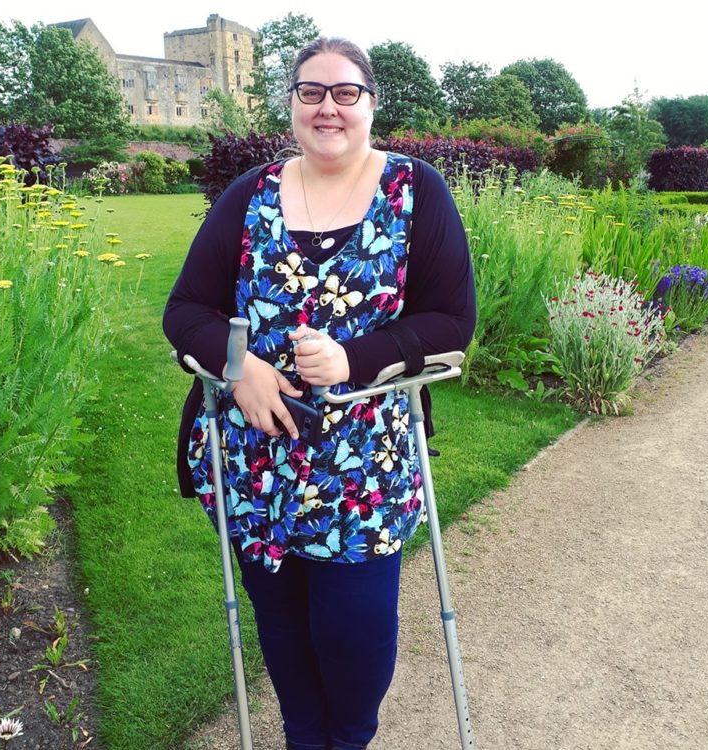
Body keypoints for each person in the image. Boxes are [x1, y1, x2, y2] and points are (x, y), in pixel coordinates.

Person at [164, 36, 476, 750]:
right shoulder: (252, 194)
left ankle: (350, 739)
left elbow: (452, 320)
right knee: (279, 623)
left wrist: (355, 358)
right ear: (292, 103)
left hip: (363, 467)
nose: (327, 107)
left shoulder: (415, 189)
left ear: (371, 103)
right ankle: (302, 737)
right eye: (311, 91)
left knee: (355, 631)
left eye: (345, 92)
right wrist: (238, 367)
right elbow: (185, 312)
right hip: (256, 464)